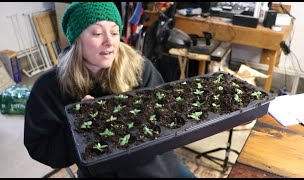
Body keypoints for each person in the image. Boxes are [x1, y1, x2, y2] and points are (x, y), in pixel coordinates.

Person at [24, 2, 196, 178]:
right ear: (77, 39)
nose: (109, 42)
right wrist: (79, 126)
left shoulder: (140, 69)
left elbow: (166, 119)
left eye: (114, 32)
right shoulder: (50, 86)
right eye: (97, 33)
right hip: (101, 172)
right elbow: (41, 147)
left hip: (155, 166)